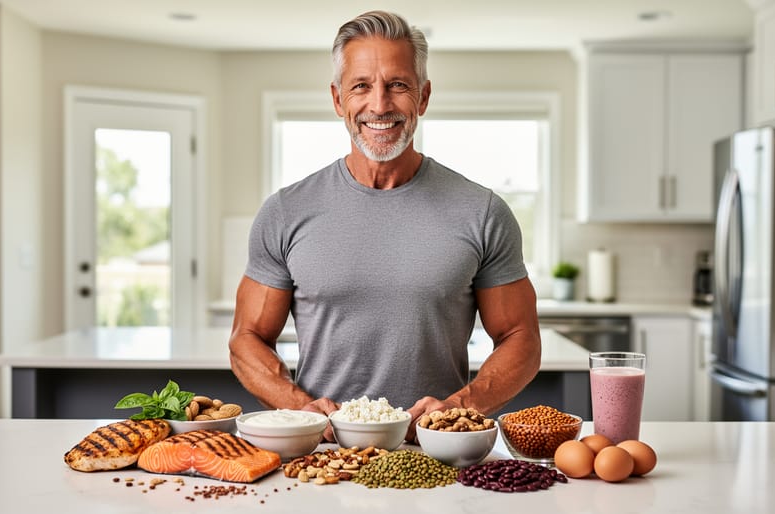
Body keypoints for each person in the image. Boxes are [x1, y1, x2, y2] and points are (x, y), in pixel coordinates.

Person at [228, 10, 541, 441]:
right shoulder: (286, 211)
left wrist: (458, 408)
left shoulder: (482, 211)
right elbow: (246, 337)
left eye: (398, 85)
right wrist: (300, 409)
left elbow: (521, 337)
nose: (379, 105)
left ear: (424, 97)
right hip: (322, 455)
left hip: (436, 451)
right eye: (361, 86)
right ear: (339, 99)